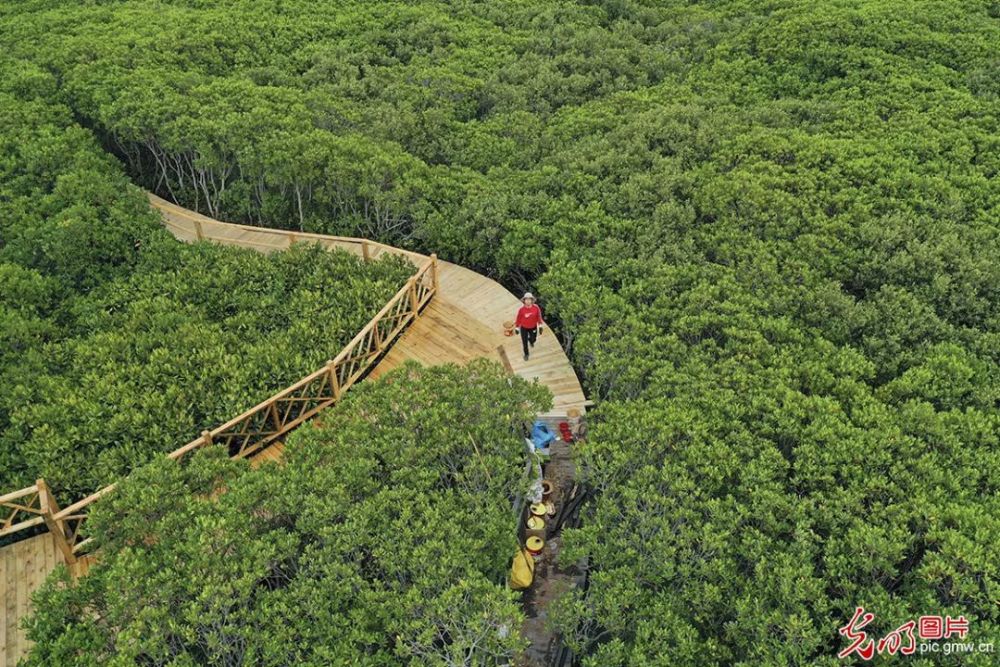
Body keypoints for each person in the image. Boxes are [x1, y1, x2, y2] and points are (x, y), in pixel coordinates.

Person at [514, 292, 544, 361]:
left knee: (534, 339)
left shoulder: (536, 308)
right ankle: (526, 354)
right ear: (524, 301)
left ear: (532, 300)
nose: (528, 301)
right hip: (524, 328)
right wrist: (517, 327)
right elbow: (518, 318)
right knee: (524, 343)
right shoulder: (521, 310)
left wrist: (540, 326)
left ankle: (530, 340)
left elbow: (539, 317)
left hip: (533, 327)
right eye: (526, 299)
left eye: (529, 299)